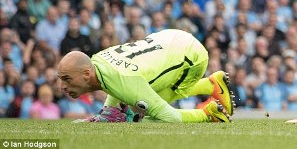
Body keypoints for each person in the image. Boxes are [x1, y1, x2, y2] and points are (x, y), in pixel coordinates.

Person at [57, 29, 234, 123]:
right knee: (134, 109)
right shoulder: (96, 60)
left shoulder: (126, 82)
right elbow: (116, 85)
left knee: (151, 116)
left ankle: (210, 113)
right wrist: (106, 114)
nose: (62, 86)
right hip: (169, 38)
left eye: (67, 79)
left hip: (191, 55)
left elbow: (171, 117)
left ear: (87, 74)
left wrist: (115, 114)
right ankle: (212, 84)